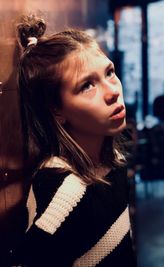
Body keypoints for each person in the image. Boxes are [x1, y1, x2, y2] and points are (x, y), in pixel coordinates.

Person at [12, 15, 136, 267]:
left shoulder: (113, 161)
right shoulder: (65, 191)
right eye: (87, 86)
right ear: (56, 110)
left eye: (109, 72)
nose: (113, 91)